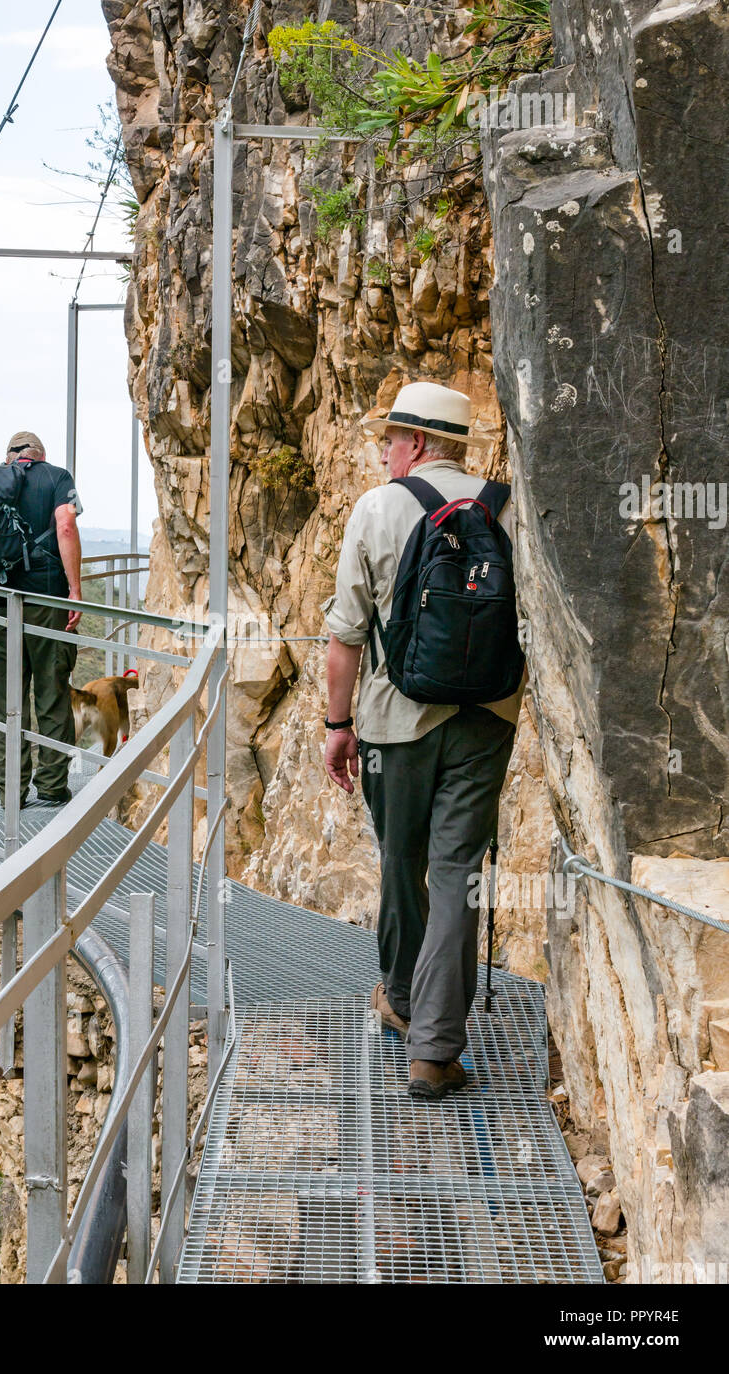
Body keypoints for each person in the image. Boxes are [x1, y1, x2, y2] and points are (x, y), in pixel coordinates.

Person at [321, 382, 524, 1101]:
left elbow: (346, 635)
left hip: (393, 724)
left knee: (401, 862)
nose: (382, 453)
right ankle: (436, 1050)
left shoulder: (378, 508)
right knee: (458, 872)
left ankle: (402, 1000)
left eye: (389, 439)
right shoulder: (507, 508)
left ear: (413, 444)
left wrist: (337, 727)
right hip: (486, 719)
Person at [0, 430, 84, 808]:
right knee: (52, 695)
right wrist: (74, 590)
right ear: (40, 455)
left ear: (10, 457)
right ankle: (51, 785)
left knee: (6, 705)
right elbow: (65, 525)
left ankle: (11, 792)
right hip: (46, 604)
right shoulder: (58, 478)